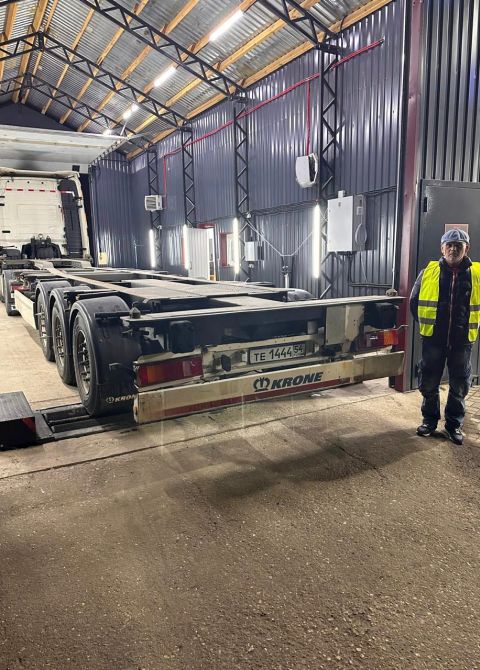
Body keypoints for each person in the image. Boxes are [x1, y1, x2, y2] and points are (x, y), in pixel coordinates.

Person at [410, 228, 480, 445]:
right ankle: (429, 421)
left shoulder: (477, 274)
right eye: (449, 245)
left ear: (466, 248)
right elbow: (414, 301)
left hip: (462, 341)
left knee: (459, 385)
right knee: (428, 382)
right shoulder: (427, 272)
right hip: (434, 339)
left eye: (458, 245)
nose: (453, 249)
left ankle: (453, 425)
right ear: (442, 248)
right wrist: (428, 326)